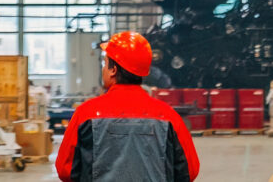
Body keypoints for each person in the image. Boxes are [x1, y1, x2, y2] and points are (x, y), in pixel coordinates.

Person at [52, 32, 200, 182]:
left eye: (105, 63)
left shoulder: (86, 113)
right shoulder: (168, 116)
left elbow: (66, 170)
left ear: (113, 70)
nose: (103, 68)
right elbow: (190, 170)